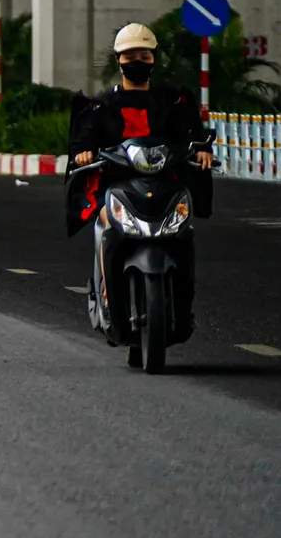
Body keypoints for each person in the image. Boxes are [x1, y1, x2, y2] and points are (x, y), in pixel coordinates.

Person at [70, 23, 212, 336]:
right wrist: (84, 153)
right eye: (130, 55)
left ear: (153, 59)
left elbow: (193, 132)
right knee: (107, 225)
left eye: (144, 55)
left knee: (185, 234)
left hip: (167, 186)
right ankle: (108, 301)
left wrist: (201, 149)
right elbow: (85, 139)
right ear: (119, 60)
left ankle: (184, 307)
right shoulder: (101, 105)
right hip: (116, 186)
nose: (137, 61)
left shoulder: (173, 102)